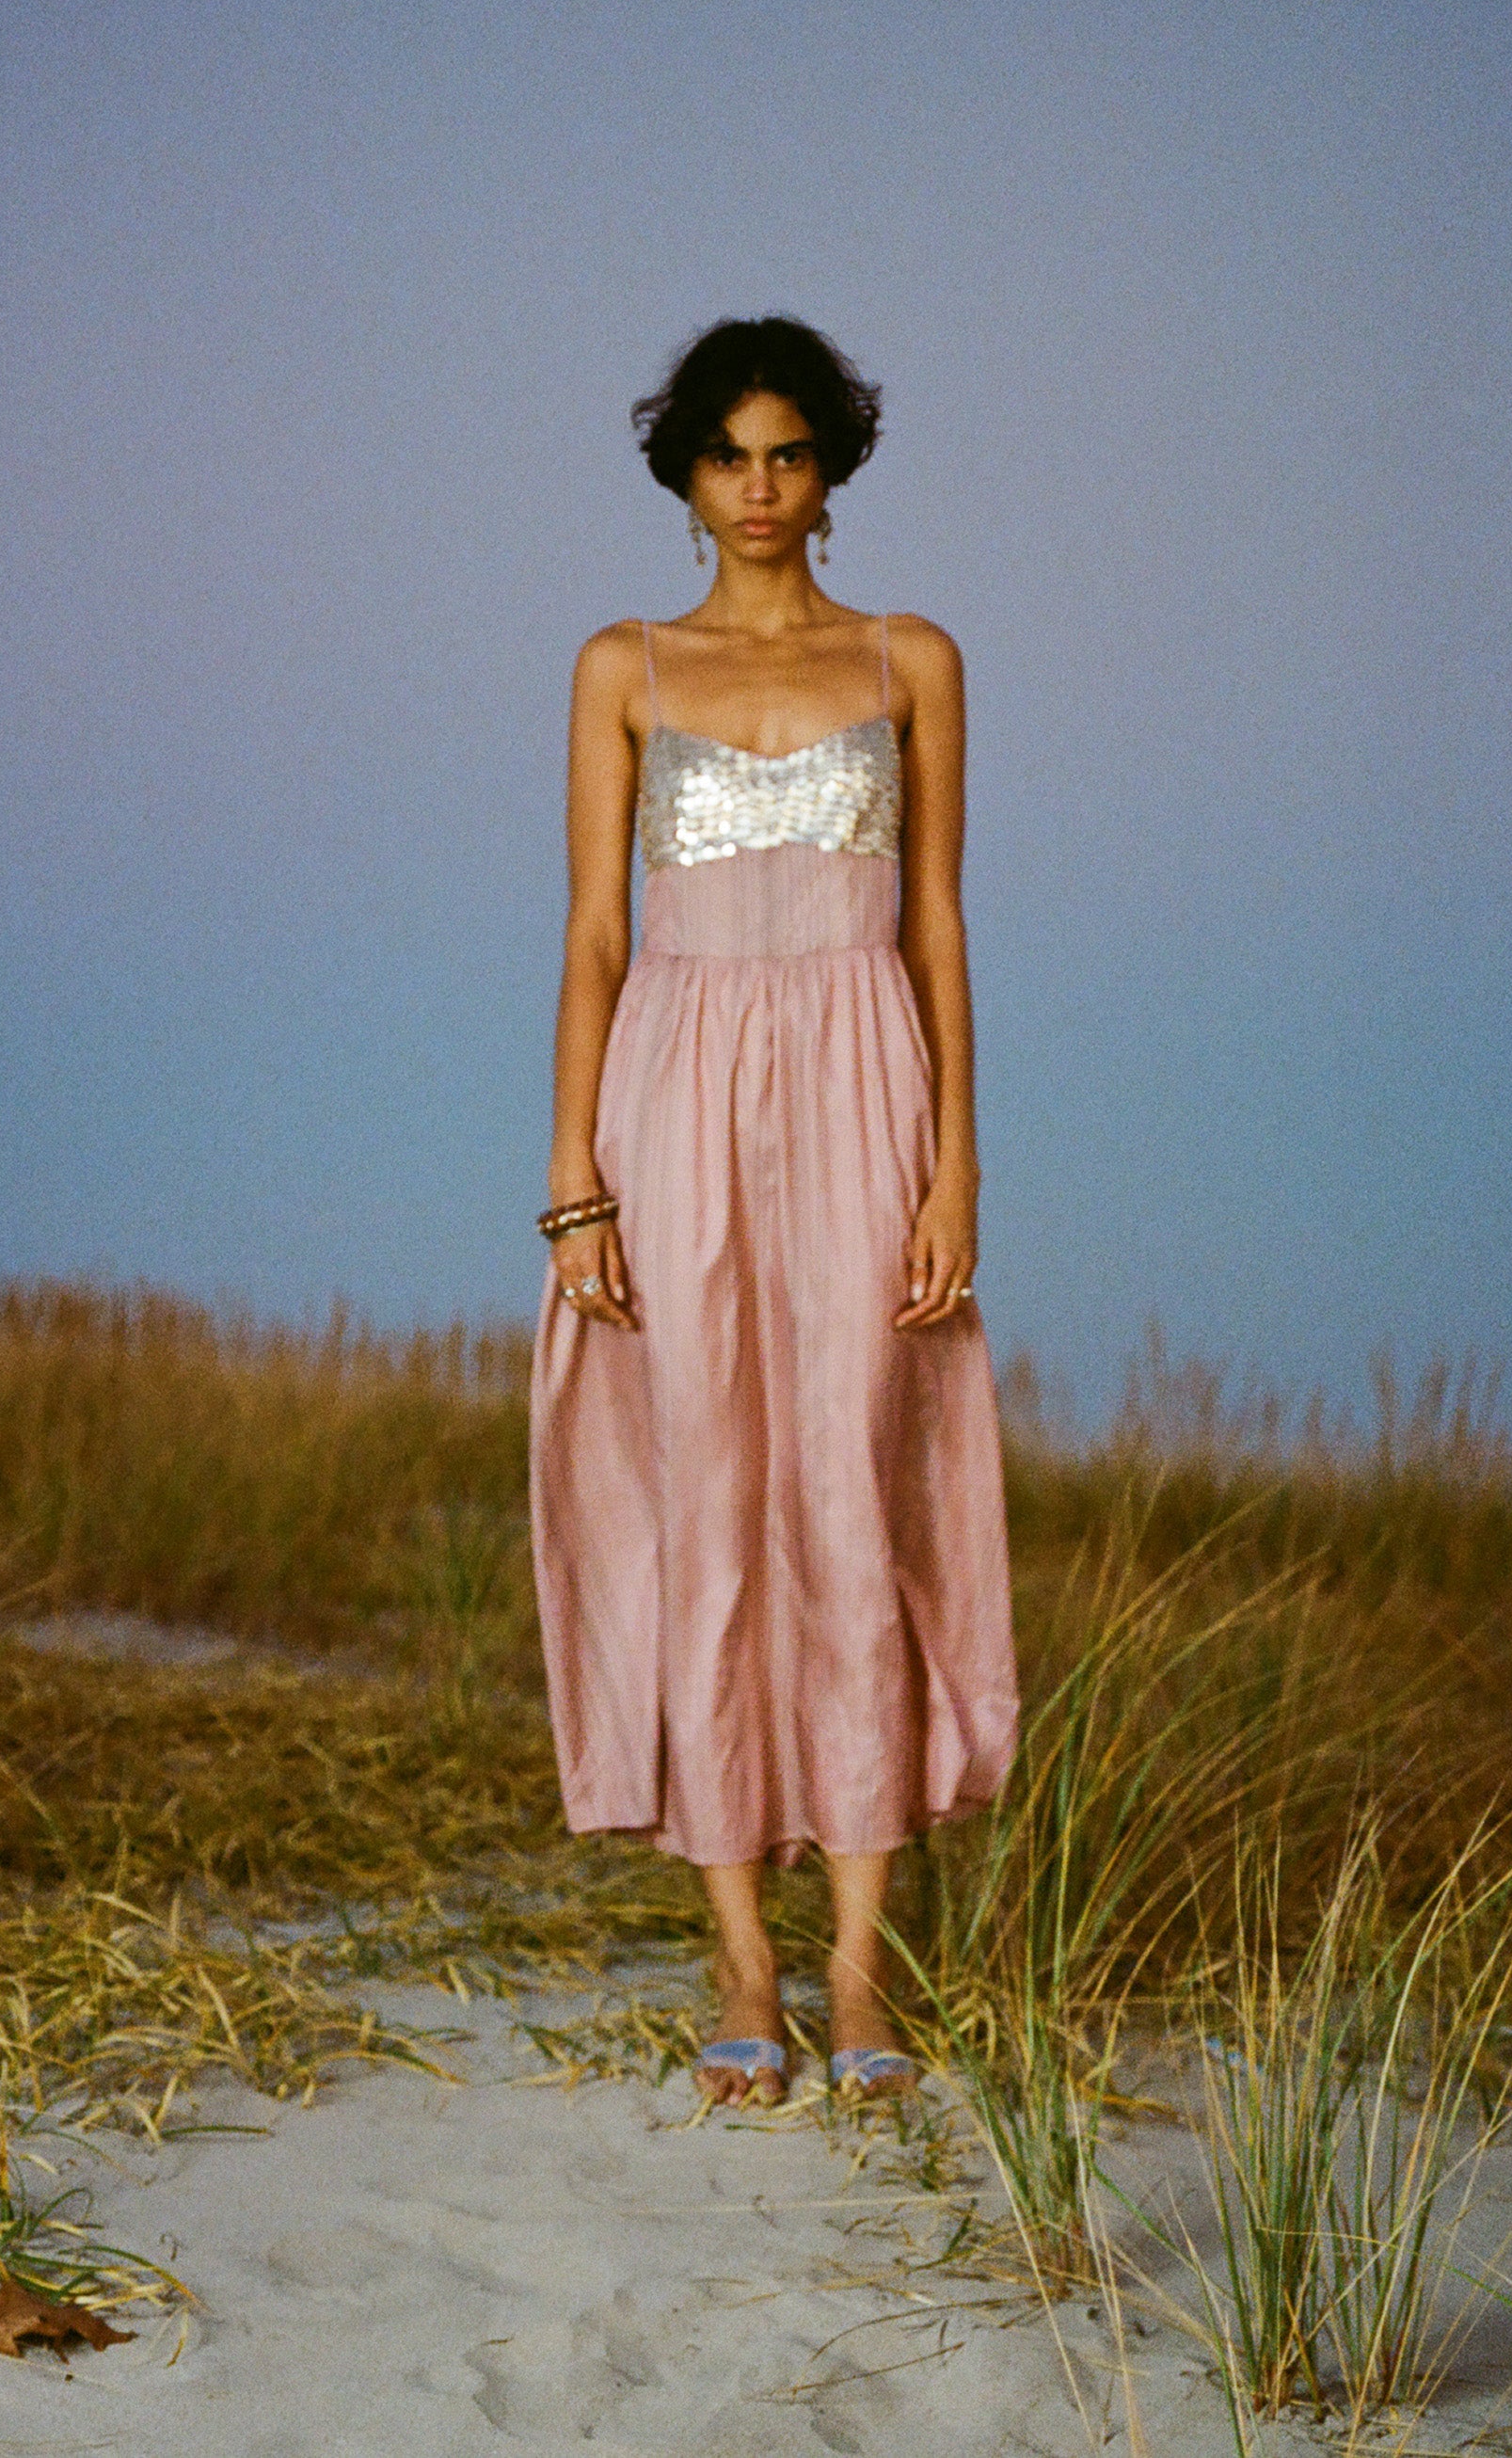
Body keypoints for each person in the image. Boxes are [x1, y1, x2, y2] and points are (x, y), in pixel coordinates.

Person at [530, 315, 1018, 2106]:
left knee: (851, 1492)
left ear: (832, 468)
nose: (759, 488)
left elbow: (937, 924)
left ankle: (860, 1971)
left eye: (788, 454)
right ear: (682, 475)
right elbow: (594, 933)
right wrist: (572, 1178)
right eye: (728, 456)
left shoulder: (911, 659)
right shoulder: (622, 667)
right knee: (703, 1507)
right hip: (671, 1098)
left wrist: (955, 1161)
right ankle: (739, 1956)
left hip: (861, 1083)